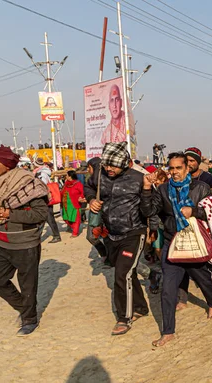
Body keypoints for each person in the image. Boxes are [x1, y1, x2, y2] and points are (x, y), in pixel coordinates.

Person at [141, 151, 212, 347]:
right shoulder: (163, 190)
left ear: (187, 168)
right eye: (171, 168)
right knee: (167, 290)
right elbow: (149, 211)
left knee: (203, 280)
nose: (175, 172)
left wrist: (194, 211)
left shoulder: (200, 188)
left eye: (178, 168)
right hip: (172, 243)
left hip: (194, 243)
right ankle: (168, 332)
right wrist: (146, 188)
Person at [86, 142, 151, 336]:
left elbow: (151, 207)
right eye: (106, 165)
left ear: (124, 163)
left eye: (113, 166)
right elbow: (88, 187)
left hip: (134, 233)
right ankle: (140, 307)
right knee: (127, 272)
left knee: (122, 274)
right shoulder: (99, 176)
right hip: (110, 234)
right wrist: (91, 200)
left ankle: (124, 317)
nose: (109, 169)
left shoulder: (139, 179)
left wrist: (153, 230)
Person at [0, 146, 49, 336]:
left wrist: (9, 213)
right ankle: (25, 308)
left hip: (25, 243)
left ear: (6, 164)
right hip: (3, 242)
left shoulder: (28, 184)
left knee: (27, 284)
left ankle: (29, 319)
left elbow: (41, 214)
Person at [179, 146, 212, 305]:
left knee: (209, 256)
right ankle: (182, 297)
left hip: (205, 224)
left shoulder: (209, 179)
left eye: (192, 161)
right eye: (186, 161)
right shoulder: (180, 178)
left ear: (198, 162)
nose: (189, 164)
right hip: (184, 225)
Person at [85, 157, 108, 263]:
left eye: (89, 168)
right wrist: (91, 199)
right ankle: (105, 254)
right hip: (97, 212)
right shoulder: (91, 180)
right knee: (92, 236)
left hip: (109, 214)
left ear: (91, 167)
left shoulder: (108, 176)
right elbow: (88, 189)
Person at [33, 157, 61, 243]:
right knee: (44, 218)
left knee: (48, 218)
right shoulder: (41, 172)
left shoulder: (41, 174)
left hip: (44, 199)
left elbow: (43, 186)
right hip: (43, 198)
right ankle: (38, 237)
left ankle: (56, 236)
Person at [61, 170, 84, 237]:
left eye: (67, 175)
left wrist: (81, 197)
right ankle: (72, 227)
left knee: (76, 219)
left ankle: (75, 232)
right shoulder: (66, 183)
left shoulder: (78, 184)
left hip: (74, 204)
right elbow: (62, 192)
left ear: (70, 176)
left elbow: (82, 193)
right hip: (66, 205)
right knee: (66, 218)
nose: (66, 176)